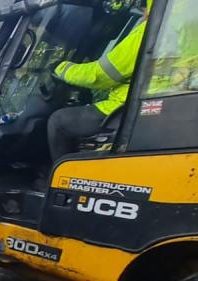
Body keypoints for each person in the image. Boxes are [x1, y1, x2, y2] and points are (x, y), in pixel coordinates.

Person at [46, 0, 151, 162]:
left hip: (127, 108)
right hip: (147, 105)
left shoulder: (149, 32)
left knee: (58, 122)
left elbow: (101, 76)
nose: (143, 12)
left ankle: (63, 175)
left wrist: (61, 68)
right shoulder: (173, 26)